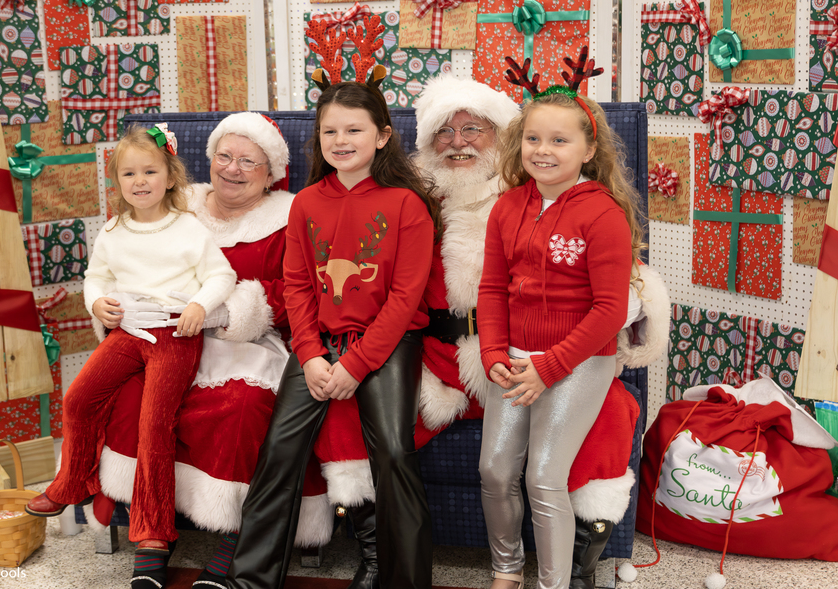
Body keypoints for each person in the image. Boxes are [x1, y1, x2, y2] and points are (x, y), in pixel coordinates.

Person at [321, 74, 666, 589]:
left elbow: (614, 292)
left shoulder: (554, 195)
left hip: (550, 352)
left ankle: (575, 565)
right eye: (445, 131)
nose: (458, 142)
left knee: (609, 416)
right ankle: (375, 552)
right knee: (351, 410)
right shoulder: (406, 198)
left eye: (473, 129)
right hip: (443, 354)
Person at [83, 114, 334, 585]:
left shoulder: (290, 216)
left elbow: (300, 290)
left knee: (244, 405)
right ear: (209, 158)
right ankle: (153, 535)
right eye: (224, 156)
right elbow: (121, 261)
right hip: (163, 338)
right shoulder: (176, 202)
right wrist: (112, 307)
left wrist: (227, 313)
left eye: (248, 162)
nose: (233, 169)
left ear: (271, 172)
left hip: (248, 342)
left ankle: (239, 535)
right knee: (131, 396)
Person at [212, 77, 442, 589]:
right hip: (317, 343)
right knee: (279, 452)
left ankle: (405, 581)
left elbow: (405, 300)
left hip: (386, 344)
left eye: (353, 130)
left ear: (382, 136)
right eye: (329, 131)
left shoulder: (407, 205)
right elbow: (297, 287)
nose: (340, 140)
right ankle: (251, 580)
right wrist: (311, 356)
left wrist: (356, 365)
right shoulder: (307, 203)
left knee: (395, 454)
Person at [23, 125, 237, 589]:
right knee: (78, 397)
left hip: (173, 333)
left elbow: (223, 275)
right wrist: (97, 303)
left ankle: (155, 531)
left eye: (150, 171)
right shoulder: (114, 229)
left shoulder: (187, 227)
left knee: (155, 422)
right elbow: (96, 278)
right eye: (128, 173)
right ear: (116, 182)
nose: (140, 181)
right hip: (128, 330)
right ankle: (71, 482)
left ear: (169, 176)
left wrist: (199, 306)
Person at [477, 57, 646, 589]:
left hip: (579, 360)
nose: (543, 151)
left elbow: (609, 311)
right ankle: (506, 571)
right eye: (532, 139)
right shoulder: (506, 207)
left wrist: (549, 367)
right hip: (514, 360)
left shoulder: (603, 215)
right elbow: (490, 290)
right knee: (495, 471)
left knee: (543, 477)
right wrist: (492, 353)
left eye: (559, 141)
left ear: (589, 152)